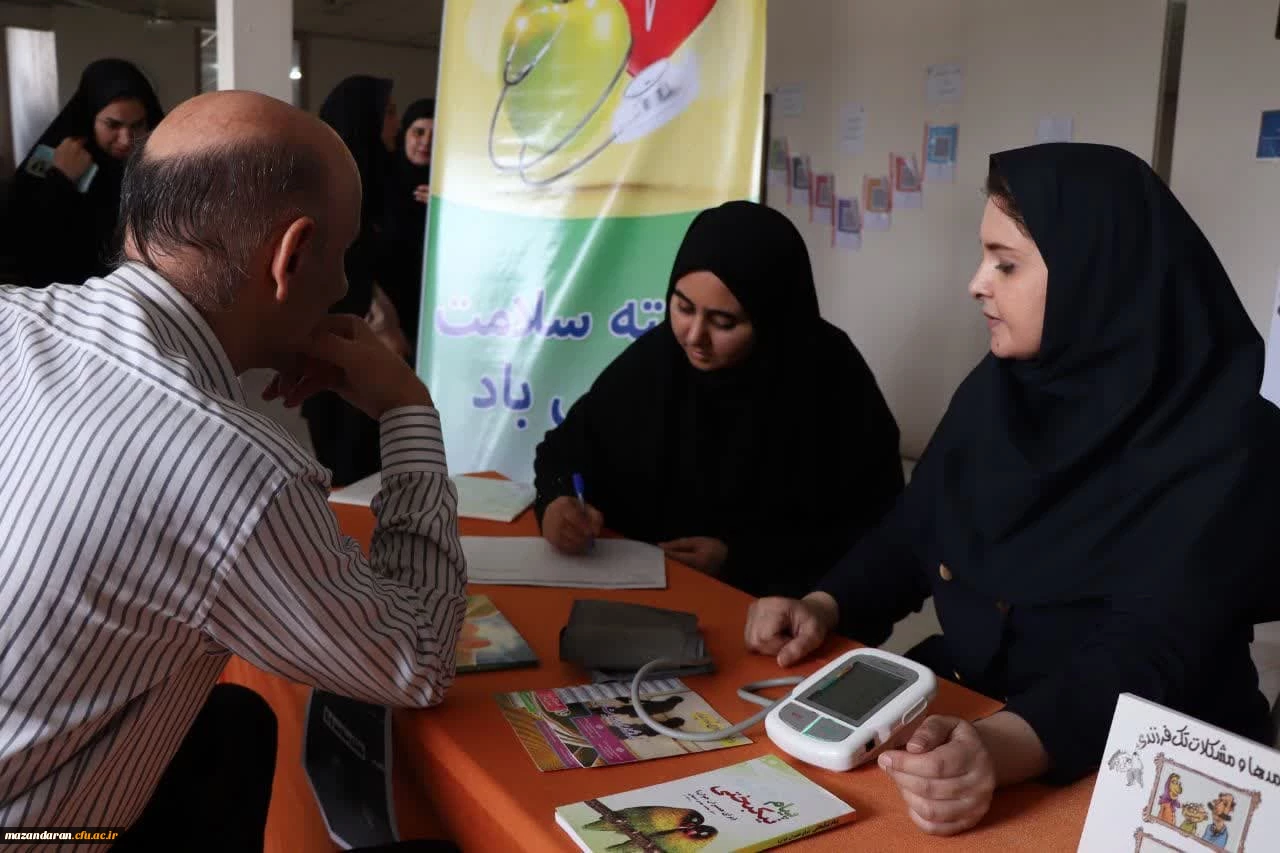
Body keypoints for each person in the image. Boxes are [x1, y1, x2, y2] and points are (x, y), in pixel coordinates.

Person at [743, 143, 1280, 836]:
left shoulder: (1230, 441)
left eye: (1006, 263)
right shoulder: (1003, 393)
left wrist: (1002, 746)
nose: (977, 283)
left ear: (1095, 276)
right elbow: (918, 527)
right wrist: (826, 602)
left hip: (1147, 780)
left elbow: (1151, 648)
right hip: (972, 721)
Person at [0, 90, 466, 852]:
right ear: (294, 255)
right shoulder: (234, 470)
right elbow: (418, 659)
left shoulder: (12, 316)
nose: (342, 287)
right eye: (344, 255)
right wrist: (407, 410)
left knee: (232, 725)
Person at [533, 200, 904, 598]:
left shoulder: (831, 383)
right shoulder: (659, 360)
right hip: (637, 599)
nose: (694, 336)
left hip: (778, 615)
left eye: (723, 322)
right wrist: (557, 501)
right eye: (683, 308)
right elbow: (565, 450)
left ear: (771, 318)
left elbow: (879, 537)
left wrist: (740, 563)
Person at [304, 75, 410, 486]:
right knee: (348, 463)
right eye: (389, 112)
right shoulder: (331, 187)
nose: (396, 123)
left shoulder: (389, 177)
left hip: (383, 344)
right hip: (337, 342)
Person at [6, 58, 163, 287]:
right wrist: (60, 180)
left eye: (137, 125)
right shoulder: (59, 159)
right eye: (113, 125)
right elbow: (25, 238)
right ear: (90, 118)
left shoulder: (157, 163)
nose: (126, 139)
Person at [383, 98, 435, 351]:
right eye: (419, 132)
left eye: (435, 135)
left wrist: (444, 205)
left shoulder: (455, 186)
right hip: (389, 311)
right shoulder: (381, 180)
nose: (426, 142)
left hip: (435, 308)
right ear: (405, 133)